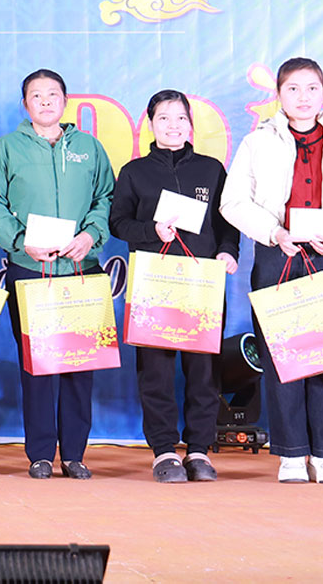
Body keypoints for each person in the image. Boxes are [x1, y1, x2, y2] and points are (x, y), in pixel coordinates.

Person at [221, 57, 323, 483]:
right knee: (281, 356)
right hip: (279, 253)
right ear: (279, 95)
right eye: (293, 89)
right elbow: (233, 201)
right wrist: (273, 232)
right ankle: (291, 453)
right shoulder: (258, 142)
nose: (303, 97)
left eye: (311, 88)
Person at [0, 69, 114, 480]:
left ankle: (74, 454)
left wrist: (91, 235)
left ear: (65, 100)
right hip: (30, 269)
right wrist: (21, 241)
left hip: (81, 269)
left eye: (52, 94)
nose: (45, 102)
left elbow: (106, 197)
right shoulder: (7, 148)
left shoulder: (89, 147)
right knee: (36, 366)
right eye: (36, 95)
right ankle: (39, 453)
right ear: (25, 104)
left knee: (79, 367)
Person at [110, 90, 239, 483]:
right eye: (164, 118)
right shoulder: (134, 172)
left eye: (181, 117)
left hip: (202, 284)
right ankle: (164, 451)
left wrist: (228, 250)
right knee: (156, 372)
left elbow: (226, 222)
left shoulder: (211, 169)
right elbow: (118, 223)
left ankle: (199, 450)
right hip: (155, 284)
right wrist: (152, 230)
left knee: (204, 372)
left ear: (190, 124)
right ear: (150, 123)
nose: (173, 125)